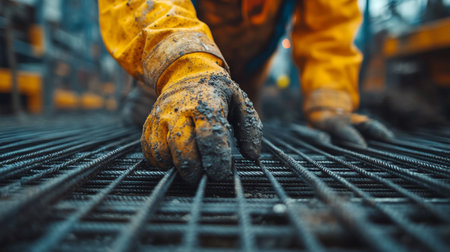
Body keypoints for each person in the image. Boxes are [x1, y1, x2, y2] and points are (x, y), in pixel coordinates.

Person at [98, 0, 393, 183]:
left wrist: (331, 100)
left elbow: (330, 25)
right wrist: (184, 70)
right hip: (167, 80)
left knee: (240, 150)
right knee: (158, 150)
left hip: (246, 84)